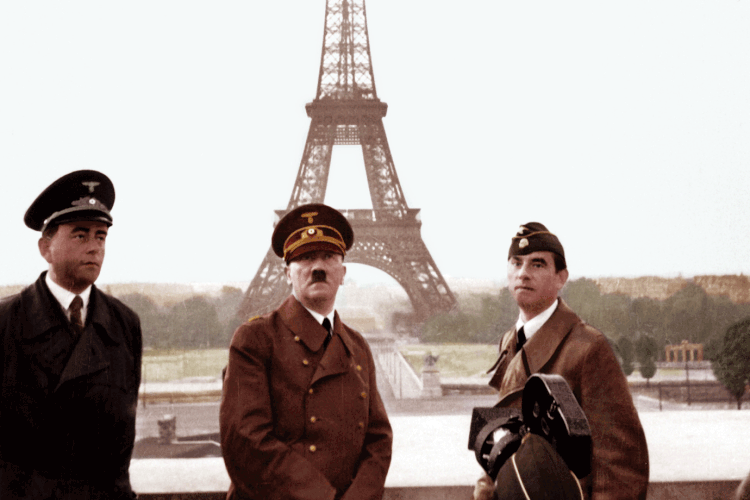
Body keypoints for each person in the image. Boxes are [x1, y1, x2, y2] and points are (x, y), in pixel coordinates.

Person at [220, 203, 393, 500]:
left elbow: (378, 439)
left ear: (342, 272)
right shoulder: (254, 340)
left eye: (327, 257)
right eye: (306, 257)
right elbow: (246, 441)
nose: (317, 267)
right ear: (288, 273)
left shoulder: (358, 346)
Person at [474, 223, 649, 500]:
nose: (523, 273)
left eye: (538, 264)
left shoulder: (589, 349)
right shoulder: (510, 341)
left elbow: (620, 470)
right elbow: (500, 440)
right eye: (516, 263)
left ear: (561, 277)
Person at [0, 170, 142, 499]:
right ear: (45, 247)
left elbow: (121, 449)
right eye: (81, 236)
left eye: (101, 236)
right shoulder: (6, 323)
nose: (94, 248)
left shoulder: (124, 323)